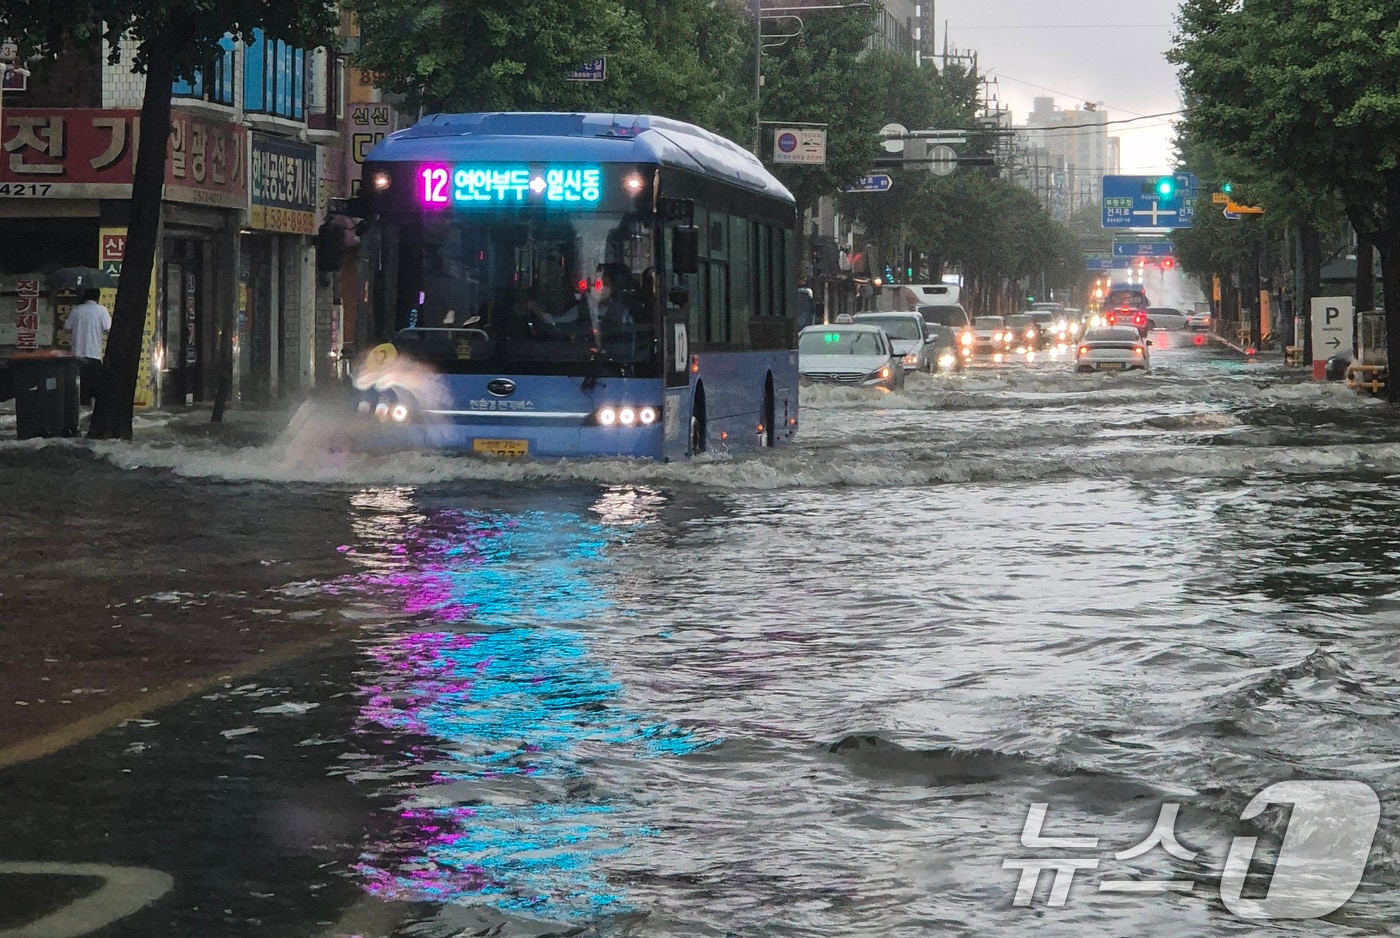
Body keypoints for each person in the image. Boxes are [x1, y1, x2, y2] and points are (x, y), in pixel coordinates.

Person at [64, 288, 111, 405]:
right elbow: (108, 329)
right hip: (94, 355)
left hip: (77, 355)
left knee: (79, 389)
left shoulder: (76, 310)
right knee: (95, 388)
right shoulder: (101, 310)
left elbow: (67, 328)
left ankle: (79, 411)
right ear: (97, 297)